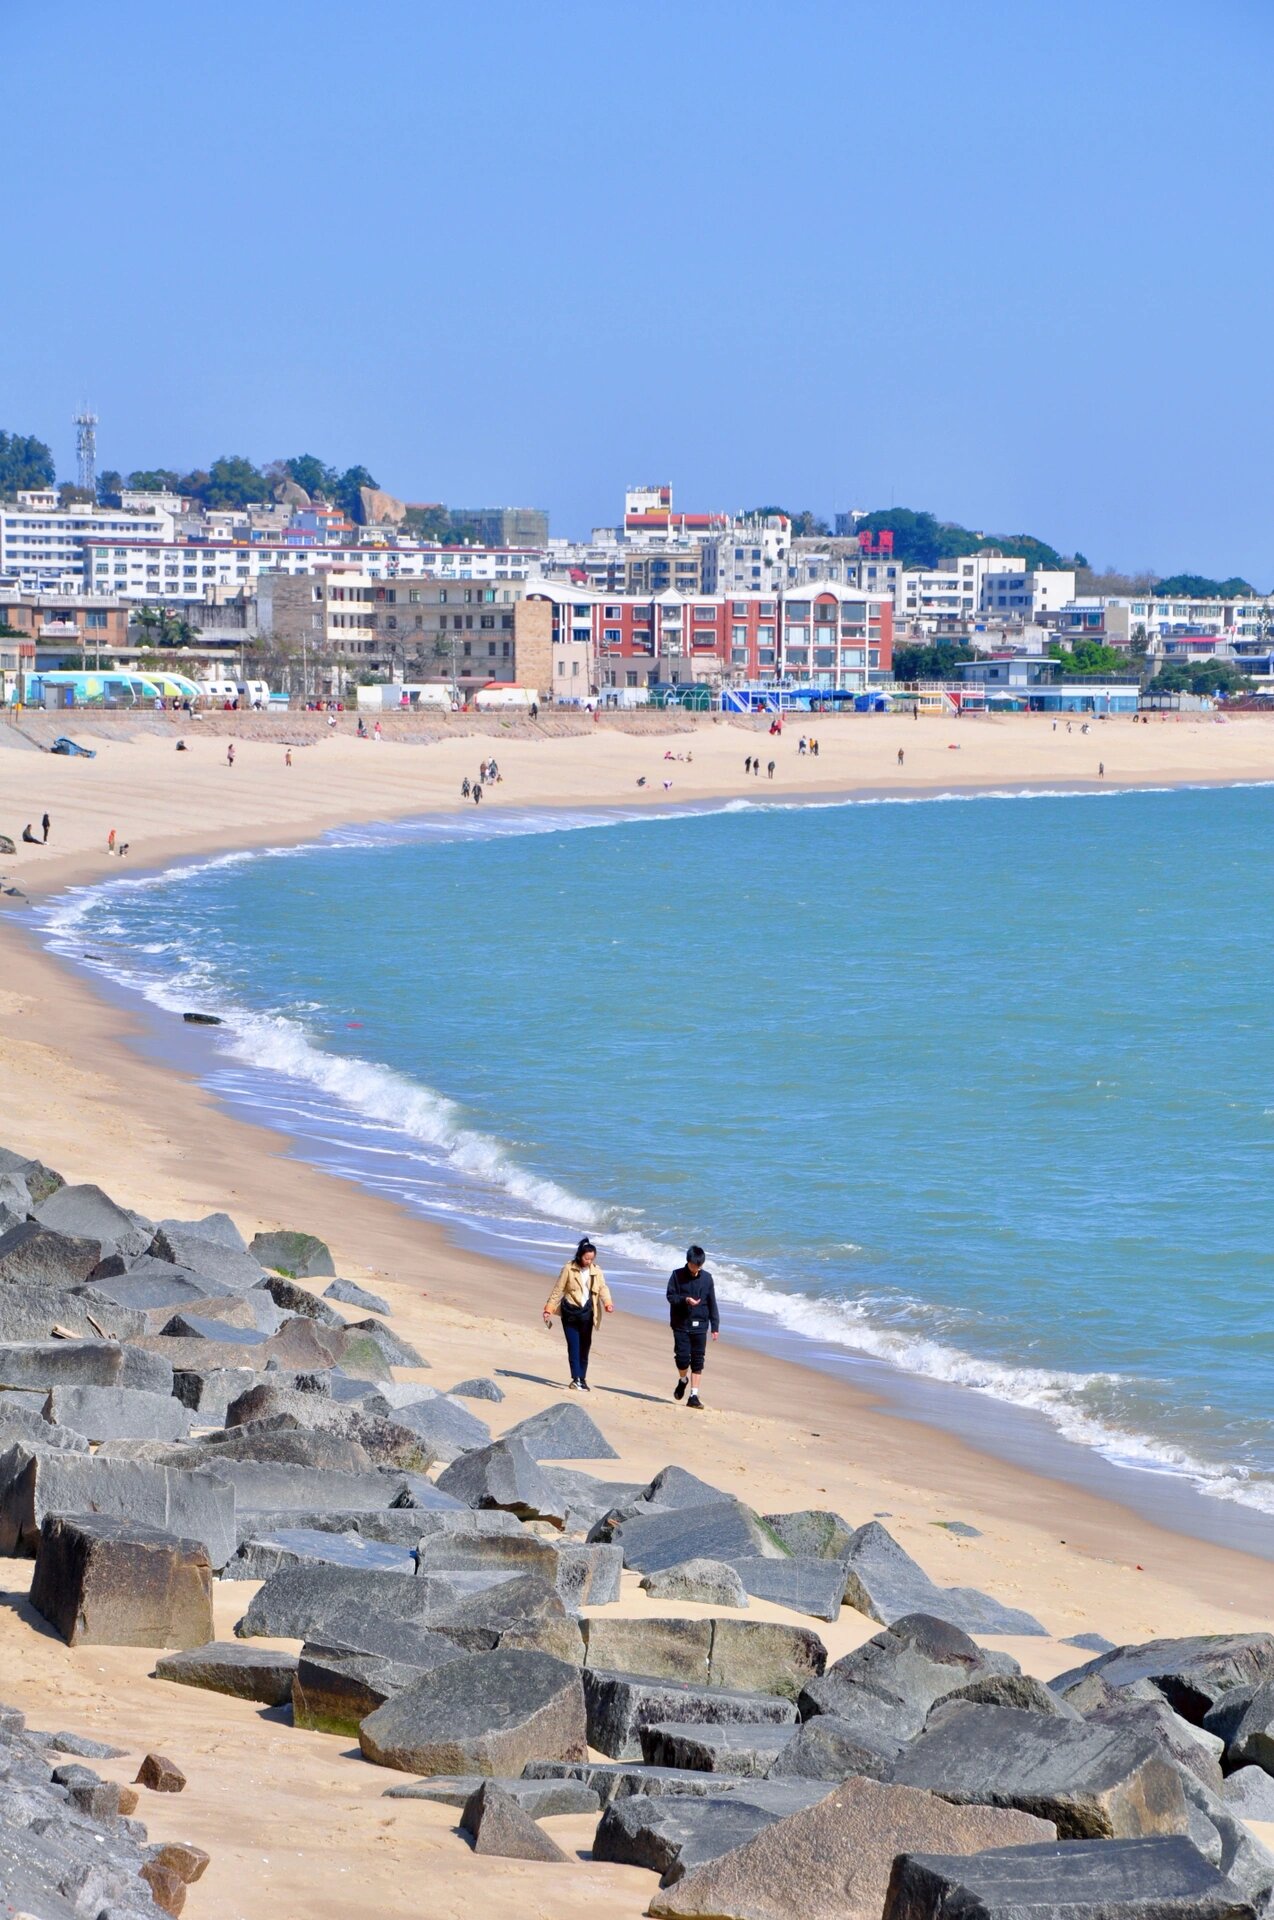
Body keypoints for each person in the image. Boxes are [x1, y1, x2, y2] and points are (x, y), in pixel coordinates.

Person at [542, 1236, 614, 1389]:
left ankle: (582, 1377)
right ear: (580, 1255)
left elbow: (603, 1288)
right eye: (586, 1258)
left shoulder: (596, 1271)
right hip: (569, 1312)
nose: (589, 1261)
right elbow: (558, 1289)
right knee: (573, 1346)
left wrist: (607, 1303)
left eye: (591, 1259)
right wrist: (549, 1308)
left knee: (585, 1346)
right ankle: (576, 1378)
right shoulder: (569, 1268)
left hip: (587, 1314)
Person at [666, 1244, 719, 1410]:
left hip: (701, 1325)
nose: (695, 1268)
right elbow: (670, 1296)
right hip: (681, 1324)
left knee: (698, 1361)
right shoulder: (677, 1275)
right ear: (688, 1262)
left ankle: (694, 1395)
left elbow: (712, 1302)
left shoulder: (707, 1278)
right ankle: (683, 1380)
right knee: (682, 1359)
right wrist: (685, 1300)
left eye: (698, 1266)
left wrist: (715, 1326)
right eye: (693, 1265)